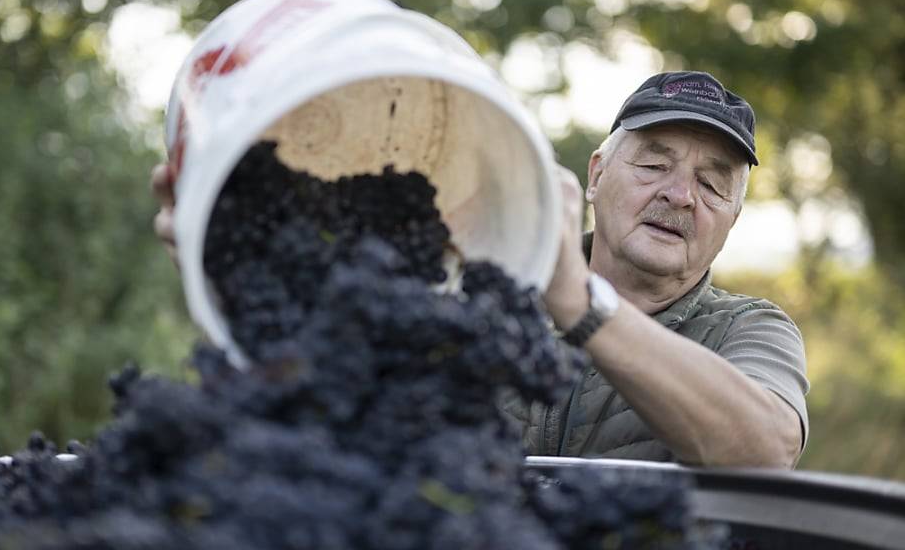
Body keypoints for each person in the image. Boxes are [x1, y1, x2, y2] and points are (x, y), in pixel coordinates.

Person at [151, 71, 809, 469]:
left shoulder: (749, 332)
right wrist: (237, 278)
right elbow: (329, 392)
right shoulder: (478, 287)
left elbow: (764, 447)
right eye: (653, 163)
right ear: (596, 173)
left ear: (731, 217)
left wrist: (579, 304)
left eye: (712, 183)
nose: (679, 194)